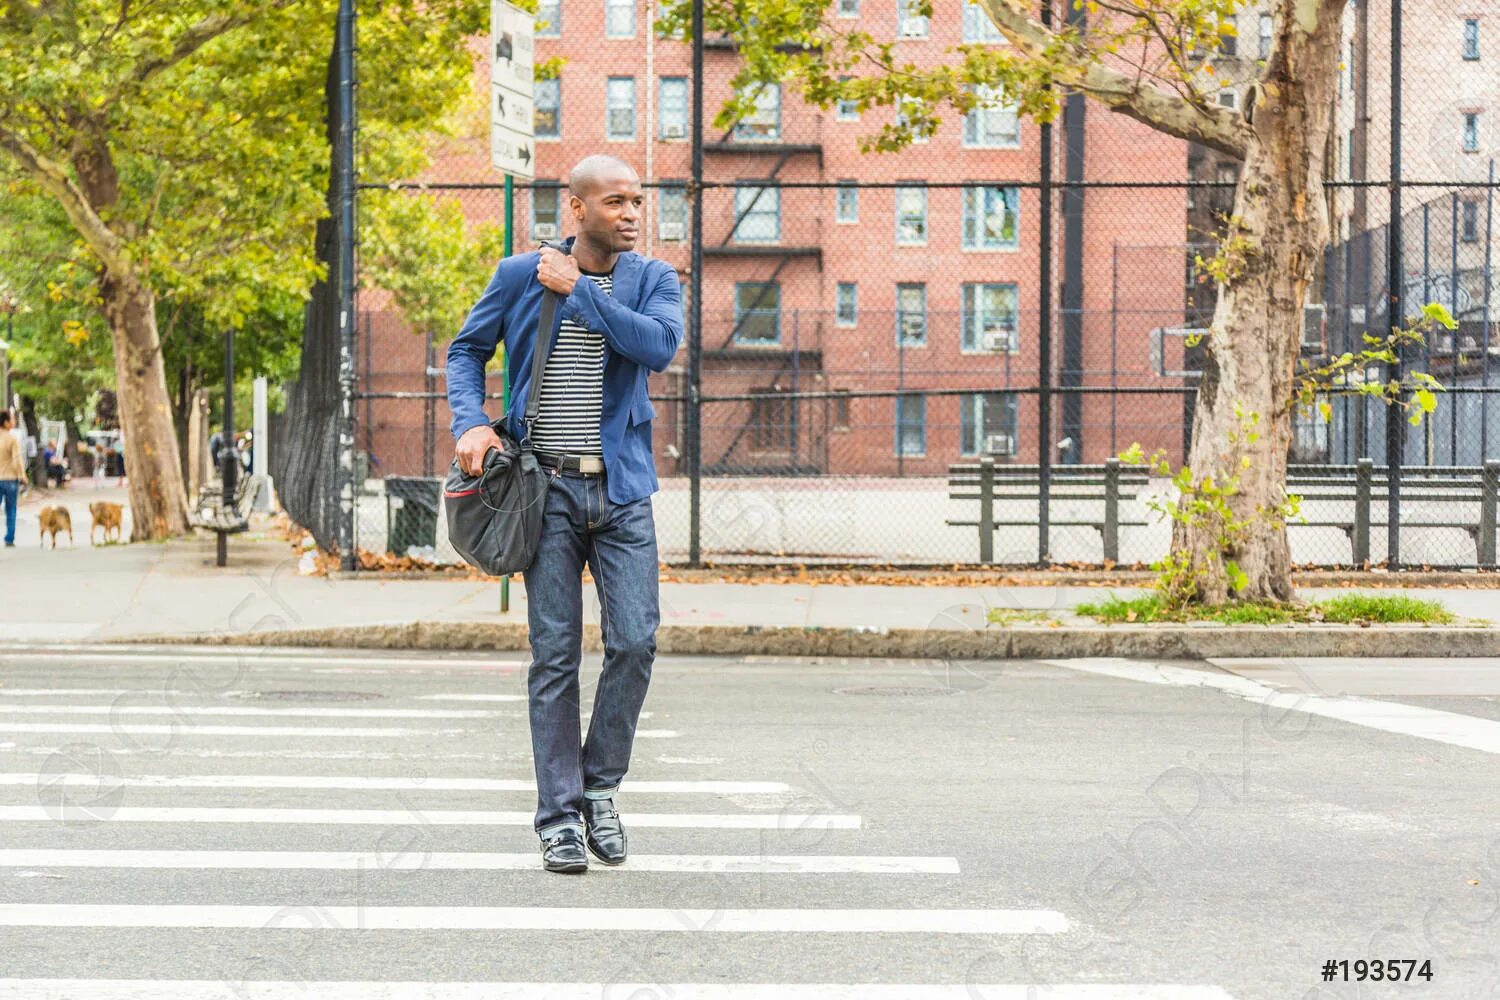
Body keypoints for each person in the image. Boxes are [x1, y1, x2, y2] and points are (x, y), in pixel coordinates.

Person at [447, 154, 683, 874]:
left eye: (638, 201)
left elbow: (656, 348)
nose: (633, 214)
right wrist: (471, 421)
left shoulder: (653, 280)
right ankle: (558, 817)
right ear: (575, 208)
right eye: (615, 202)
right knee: (554, 656)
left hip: (621, 494)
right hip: (542, 494)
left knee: (636, 642)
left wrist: (580, 291)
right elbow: (465, 351)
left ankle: (598, 786)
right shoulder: (520, 274)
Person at [0, 411, 26, 547]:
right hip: (10, 479)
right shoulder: (12, 439)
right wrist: (22, 475)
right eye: (12, 419)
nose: (14, 422)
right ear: (6, 422)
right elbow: (17, 459)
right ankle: (9, 539)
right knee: (11, 509)